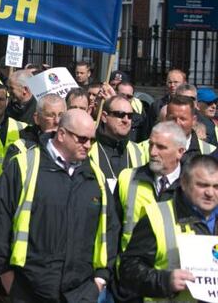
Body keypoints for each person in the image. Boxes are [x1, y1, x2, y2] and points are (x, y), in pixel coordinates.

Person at [0, 109, 120, 303]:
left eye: (92, 140)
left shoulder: (95, 176)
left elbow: (110, 228)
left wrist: (100, 279)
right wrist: (6, 276)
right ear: (62, 134)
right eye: (82, 139)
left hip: (80, 292)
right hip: (28, 289)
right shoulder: (25, 166)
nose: (88, 145)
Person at [119, 155, 218, 301]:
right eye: (202, 185)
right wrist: (165, 281)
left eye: (216, 186)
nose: (210, 193)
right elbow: (128, 271)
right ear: (184, 183)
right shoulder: (158, 217)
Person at [110, 121, 185, 302]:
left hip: (172, 290)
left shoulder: (191, 187)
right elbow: (112, 230)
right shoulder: (128, 178)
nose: (152, 152)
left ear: (180, 152)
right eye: (151, 144)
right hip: (128, 287)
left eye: (161, 147)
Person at [90, 96, 146, 193]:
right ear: (104, 117)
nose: (126, 120)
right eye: (120, 115)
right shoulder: (88, 148)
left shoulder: (139, 151)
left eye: (130, 116)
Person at [4, 94, 67, 164]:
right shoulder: (20, 148)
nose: (57, 121)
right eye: (50, 115)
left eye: (61, 115)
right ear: (37, 118)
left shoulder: (75, 146)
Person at [157, 94, 216, 162]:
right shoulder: (146, 148)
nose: (177, 123)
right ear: (166, 119)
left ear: (193, 120)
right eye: (172, 118)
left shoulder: (210, 152)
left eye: (183, 119)